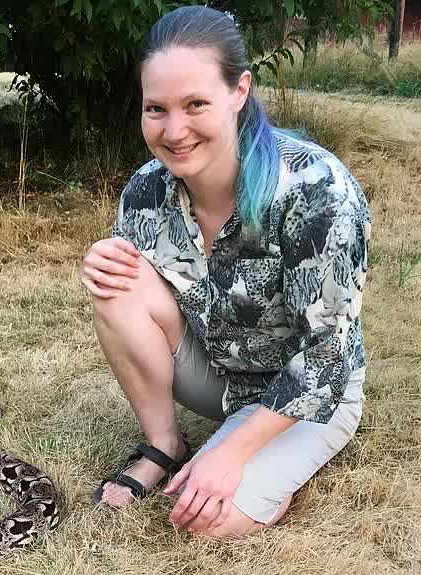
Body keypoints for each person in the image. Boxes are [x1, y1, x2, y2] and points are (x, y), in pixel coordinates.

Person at [82, 6, 371, 539]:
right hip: (219, 374)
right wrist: (103, 264)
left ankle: (267, 470)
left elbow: (328, 358)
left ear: (239, 92)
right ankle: (164, 444)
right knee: (117, 283)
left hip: (312, 395)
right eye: (156, 109)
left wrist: (233, 453)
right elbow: (138, 296)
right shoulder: (148, 189)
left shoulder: (316, 192)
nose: (175, 130)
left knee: (212, 521)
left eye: (196, 104)